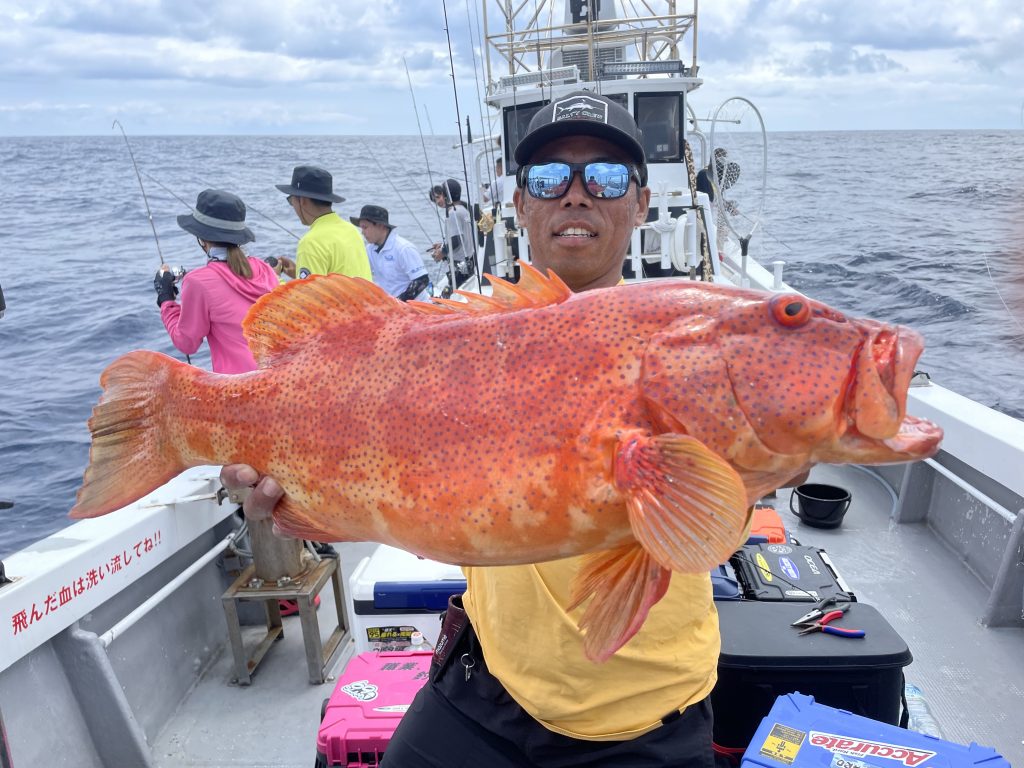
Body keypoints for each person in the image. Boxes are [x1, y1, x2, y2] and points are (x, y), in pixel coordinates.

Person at [220, 91, 766, 766]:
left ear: (641, 203)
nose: (575, 194)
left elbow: (711, 525)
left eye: (605, 176)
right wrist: (298, 486)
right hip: (487, 683)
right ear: (520, 204)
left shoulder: (692, 344)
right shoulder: (459, 332)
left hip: (644, 716)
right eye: (548, 177)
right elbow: (402, 485)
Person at [154, 189, 279, 373]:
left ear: (201, 238)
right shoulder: (265, 269)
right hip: (277, 379)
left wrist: (166, 299)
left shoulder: (197, 282)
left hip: (239, 387)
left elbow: (187, 343)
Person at [272, 165, 372, 281]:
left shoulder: (310, 243)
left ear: (302, 200)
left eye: (291, 200)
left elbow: (308, 292)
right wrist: (299, 272)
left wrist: (274, 278)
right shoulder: (352, 230)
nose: (293, 206)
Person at [351, 204, 430, 302]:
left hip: (415, 306)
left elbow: (422, 280)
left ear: (380, 226)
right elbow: (361, 275)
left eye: (365, 227)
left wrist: (399, 301)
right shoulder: (369, 249)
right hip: (390, 304)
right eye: (361, 228)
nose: (362, 232)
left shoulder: (404, 248)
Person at [429, 178, 476, 288]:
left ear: (446, 195)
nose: (438, 201)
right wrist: (443, 245)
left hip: (460, 267)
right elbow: (462, 237)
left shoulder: (453, 213)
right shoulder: (463, 209)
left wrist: (442, 253)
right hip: (469, 261)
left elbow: (456, 241)